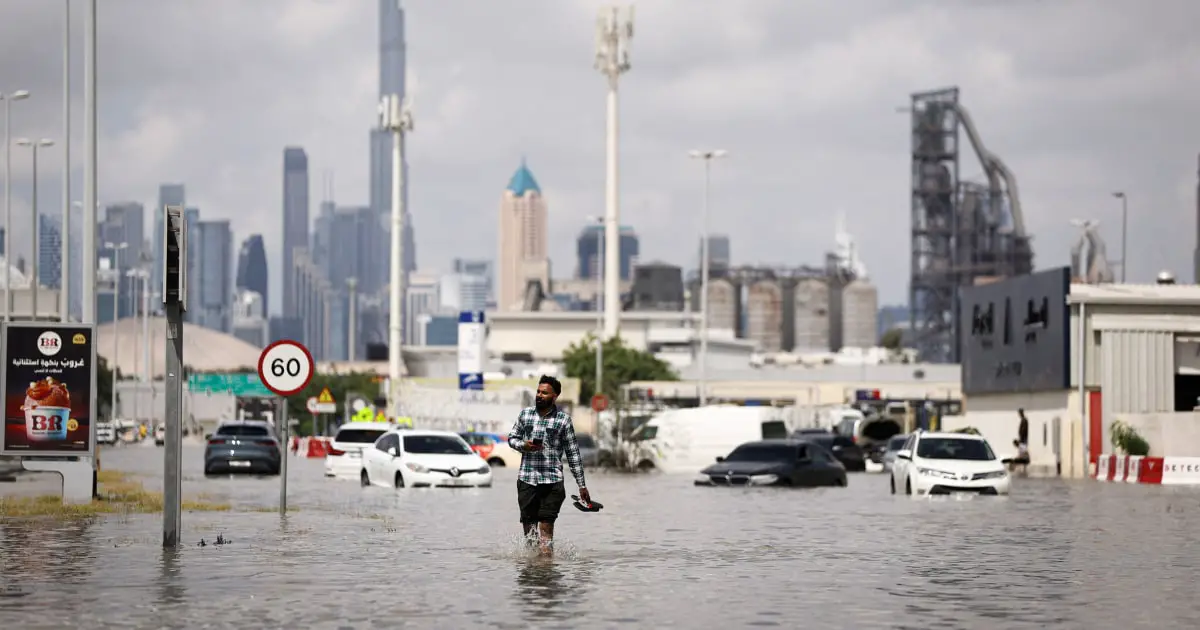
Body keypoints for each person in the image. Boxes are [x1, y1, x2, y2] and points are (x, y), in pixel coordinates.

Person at [507, 375, 590, 556]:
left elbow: (573, 453)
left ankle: (545, 573)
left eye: (544, 393)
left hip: (552, 482)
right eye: (538, 391)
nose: (539, 395)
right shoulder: (525, 414)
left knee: (546, 529)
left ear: (555, 396)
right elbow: (512, 438)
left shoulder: (563, 420)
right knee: (530, 532)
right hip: (527, 480)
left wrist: (581, 485)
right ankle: (532, 574)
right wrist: (524, 446)